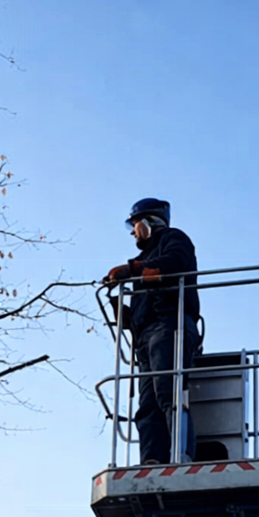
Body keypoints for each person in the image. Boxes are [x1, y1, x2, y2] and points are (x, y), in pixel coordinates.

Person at [103, 198, 201, 464]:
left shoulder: (173, 239)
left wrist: (131, 270)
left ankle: (181, 455)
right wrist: (124, 313)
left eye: (134, 225)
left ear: (147, 222)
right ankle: (152, 460)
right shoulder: (144, 260)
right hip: (146, 335)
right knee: (147, 405)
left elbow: (176, 265)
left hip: (170, 325)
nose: (133, 232)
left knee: (168, 391)